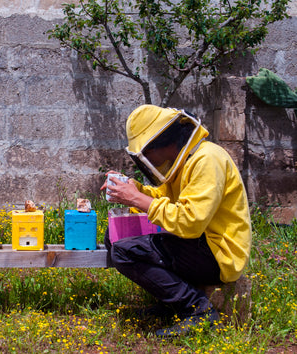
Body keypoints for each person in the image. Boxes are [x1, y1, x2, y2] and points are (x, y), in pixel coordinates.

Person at [102, 104, 251, 337]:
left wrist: (138, 199)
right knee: (114, 238)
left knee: (124, 251)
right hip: (197, 243)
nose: (147, 159)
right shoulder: (184, 161)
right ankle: (170, 303)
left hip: (218, 252)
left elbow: (190, 222)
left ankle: (197, 311)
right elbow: (162, 198)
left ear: (159, 143)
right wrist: (134, 189)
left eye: (146, 153)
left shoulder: (207, 159)